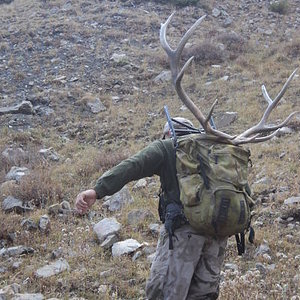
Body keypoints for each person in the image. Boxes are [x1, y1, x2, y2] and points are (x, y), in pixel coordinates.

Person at [75, 117, 227, 300]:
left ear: (169, 133)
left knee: (162, 292)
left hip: (183, 235)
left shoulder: (168, 147)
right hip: (218, 235)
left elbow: (133, 165)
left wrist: (98, 190)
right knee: (203, 295)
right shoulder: (214, 150)